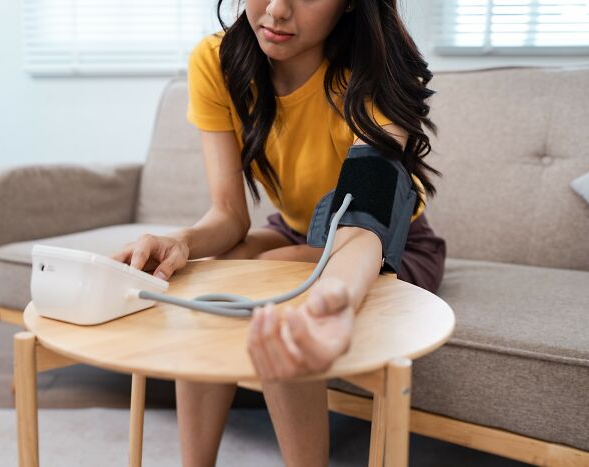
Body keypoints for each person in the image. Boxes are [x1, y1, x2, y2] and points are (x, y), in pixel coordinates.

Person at [112, 1, 446, 465]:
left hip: (392, 243)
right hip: (294, 231)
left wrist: (338, 304)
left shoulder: (376, 72)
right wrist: (183, 241)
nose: (276, 9)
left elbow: (362, 226)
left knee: (272, 284)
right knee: (208, 278)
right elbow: (229, 213)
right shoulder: (216, 61)